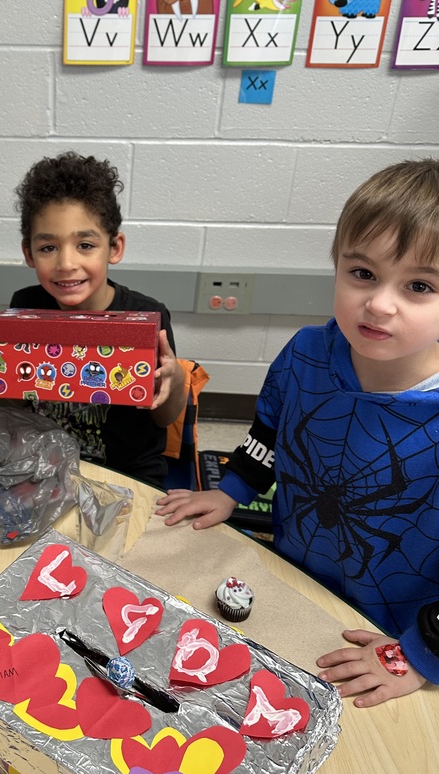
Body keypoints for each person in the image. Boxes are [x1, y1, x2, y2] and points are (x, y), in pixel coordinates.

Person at [156, 159, 439, 708]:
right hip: (292, 582)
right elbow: (270, 433)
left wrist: (421, 656)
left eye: (420, 286)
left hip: (390, 637)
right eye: (362, 274)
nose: (380, 303)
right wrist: (232, 490)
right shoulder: (306, 354)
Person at [10, 151, 185, 488]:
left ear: (114, 248)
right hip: (47, 464)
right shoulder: (25, 306)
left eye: (85, 244)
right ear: (29, 253)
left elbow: (164, 416)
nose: (66, 263)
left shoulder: (147, 317)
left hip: (127, 474)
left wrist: (174, 380)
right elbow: (17, 400)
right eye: (48, 248)